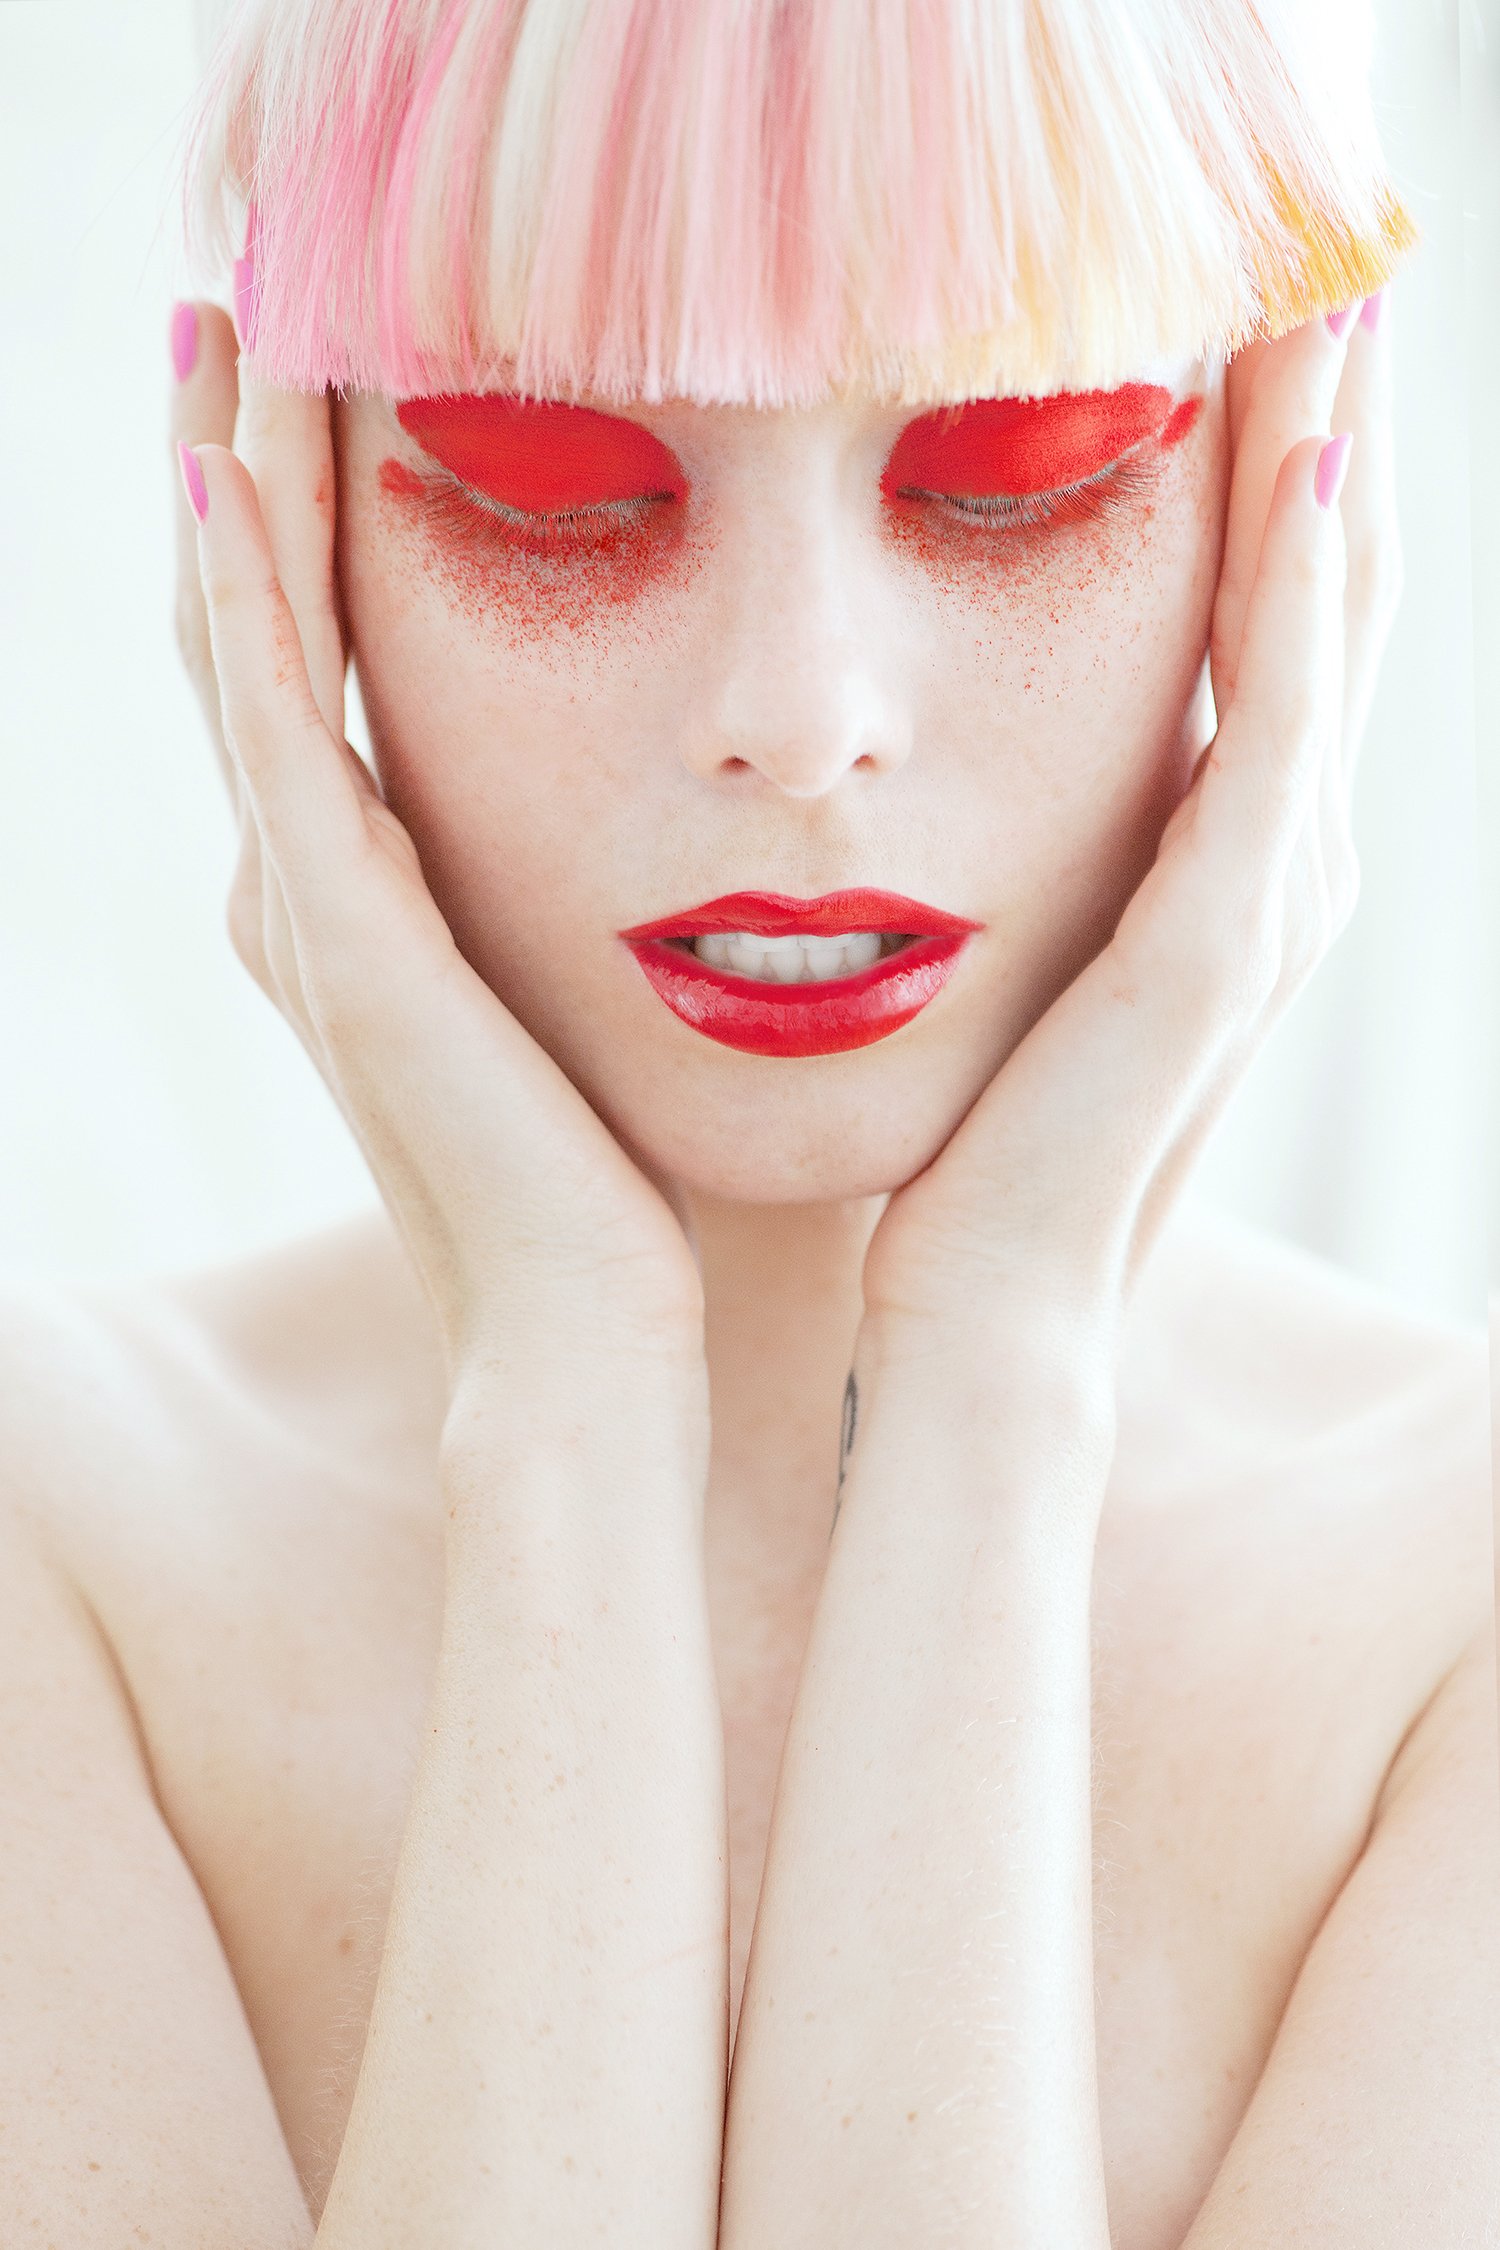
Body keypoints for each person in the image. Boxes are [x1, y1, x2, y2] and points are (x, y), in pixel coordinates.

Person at [4, 0, 1494, 2243]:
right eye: (551, 486)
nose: (803, 722)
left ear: (1295, 479)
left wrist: (995, 1388)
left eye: (1022, 470)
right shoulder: (57, 1545)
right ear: (293, 511)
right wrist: (571, 1413)